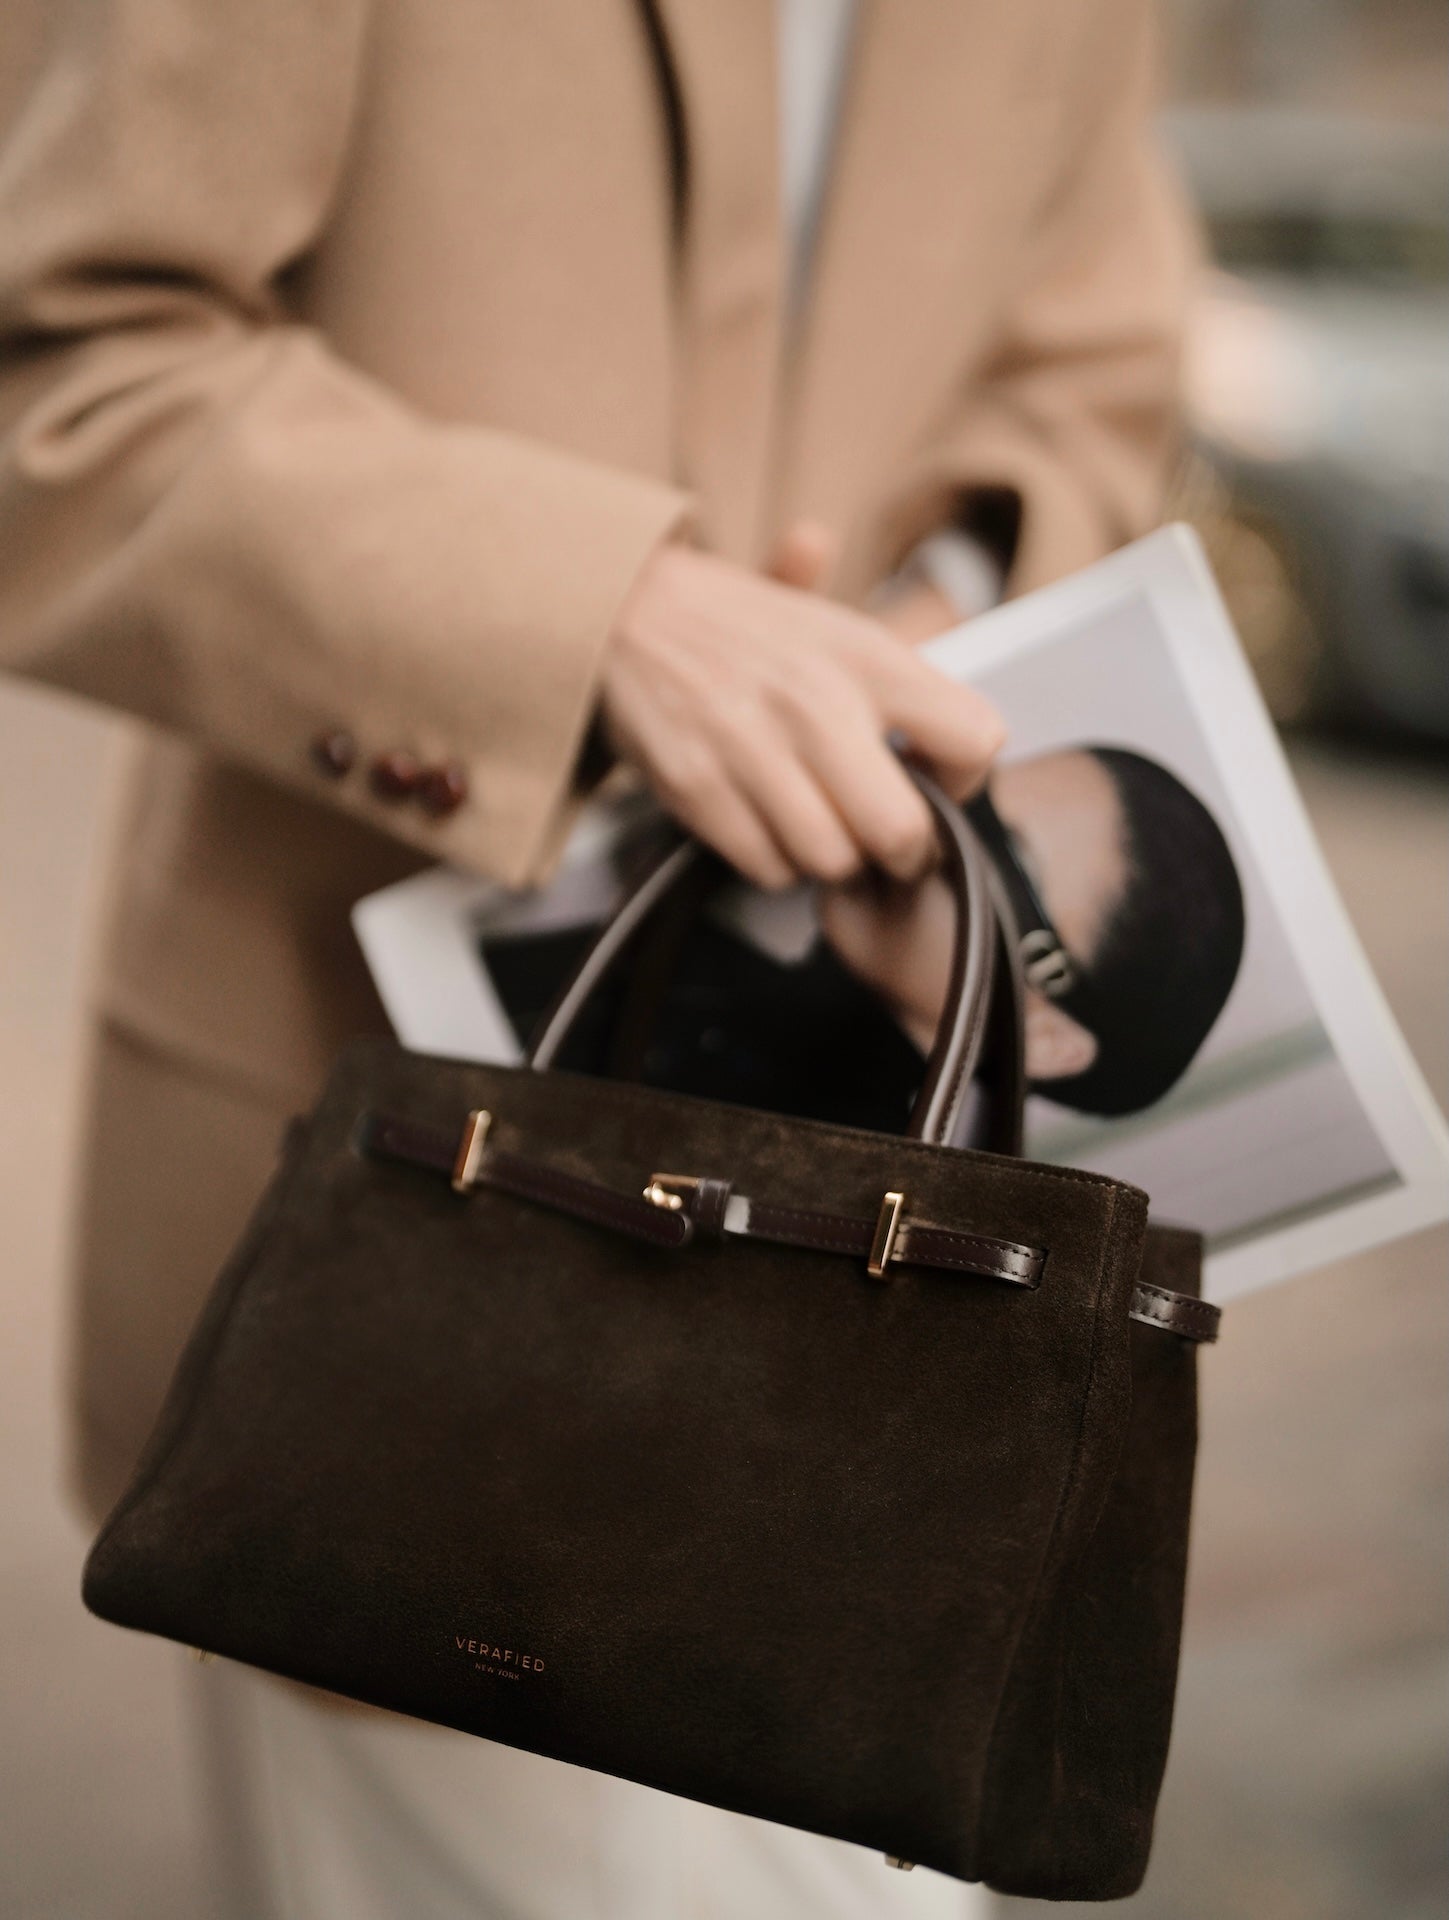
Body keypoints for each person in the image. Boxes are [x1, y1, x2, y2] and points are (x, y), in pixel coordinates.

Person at [0, 2, 1196, 1914]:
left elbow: (1092, 358)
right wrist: (586, 610)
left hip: (900, 1402)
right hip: (388, 1197)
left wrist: (943, 595)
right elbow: (50, 355)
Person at [827, 745, 1248, 1118]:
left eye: (999, 866)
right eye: (965, 792)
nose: (916, 825)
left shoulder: (818, 1170)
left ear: (1046, 1040)